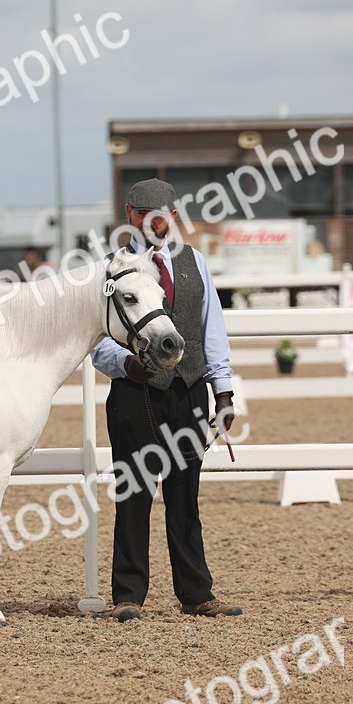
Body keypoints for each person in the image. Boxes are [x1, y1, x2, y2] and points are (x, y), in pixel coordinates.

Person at [91, 179, 243, 622]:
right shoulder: (110, 266)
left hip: (188, 390)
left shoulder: (194, 262)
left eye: (162, 214)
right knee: (133, 494)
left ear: (173, 216)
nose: (155, 222)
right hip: (135, 393)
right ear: (130, 215)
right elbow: (98, 337)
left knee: (185, 495)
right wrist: (124, 364)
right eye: (144, 213)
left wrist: (223, 388)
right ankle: (129, 595)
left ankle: (196, 592)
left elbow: (210, 327)